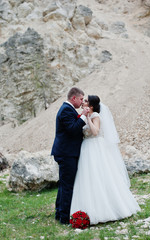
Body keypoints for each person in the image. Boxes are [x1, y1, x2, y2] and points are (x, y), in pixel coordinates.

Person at [70, 95, 140, 225]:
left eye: (86, 101)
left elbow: (95, 132)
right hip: (86, 148)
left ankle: (111, 208)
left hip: (96, 147)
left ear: (91, 106)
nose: (83, 102)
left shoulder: (95, 115)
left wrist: (88, 119)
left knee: (101, 174)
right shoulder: (86, 115)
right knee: (88, 176)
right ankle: (89, 209)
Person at [51, 87, 89, 224]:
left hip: (66, 152)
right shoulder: (66, 109)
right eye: (80, 99)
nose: (81, 102)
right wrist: (84, 115)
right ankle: (64, 217)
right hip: (66, 153)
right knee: (67, 186)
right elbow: (73, 129)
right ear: (73, 98)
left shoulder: (68, 109)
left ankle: (59, 213)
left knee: (64, 184)